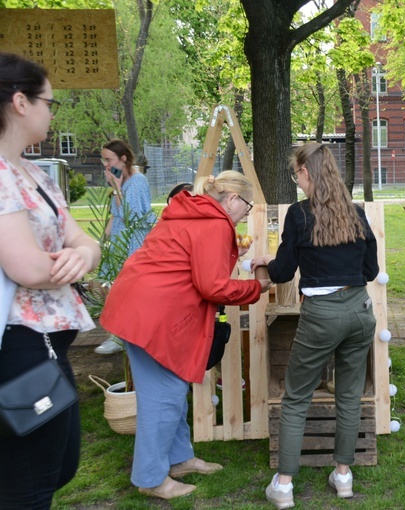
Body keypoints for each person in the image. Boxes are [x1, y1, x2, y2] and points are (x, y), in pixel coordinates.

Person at [99, 171, 271, 500]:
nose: (247, 213)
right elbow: (212, 286)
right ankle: (150, 478)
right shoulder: (214, 222)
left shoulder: (195, 212)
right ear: (232, 199)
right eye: (246, 206)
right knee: (163, 397)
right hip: (151, 316)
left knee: (172, 389)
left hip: (141, 309)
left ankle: (178, 459)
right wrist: (256, 287)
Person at [249, 142, 379, 509]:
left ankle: (285, 486)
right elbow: (371, 271)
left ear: (307, 173)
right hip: (360, 311)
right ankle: (343, 476)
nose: (297, 181)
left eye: (297, 174)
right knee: (349, 395)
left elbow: (284, 271)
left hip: (321, 314)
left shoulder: (299, 215)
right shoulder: (356, 213)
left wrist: (266, 263)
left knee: (296, 397)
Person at [0, 52, 101, 509]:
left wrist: (80, 254)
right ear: (21, 102)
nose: (51, 112)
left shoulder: (36, 174)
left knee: (60, 465)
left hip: (49, 340)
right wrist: (72, 258)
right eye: (49, 102)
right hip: (19, 342)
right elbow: (29, 268)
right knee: (32, 479)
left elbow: (86, 243)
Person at [94, 140, 155, 355]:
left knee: (127, 289)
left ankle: (124, 336)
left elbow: (132, 216)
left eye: (108, 159)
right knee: (107, 285)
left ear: (123, 159)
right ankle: (119, 332)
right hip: (119, 239)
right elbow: (115, 215)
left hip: (132, 240)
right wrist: (102, 242)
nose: (106, 164)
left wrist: (117, 187)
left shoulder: (137, 181)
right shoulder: (121, 180)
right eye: (104, 159)